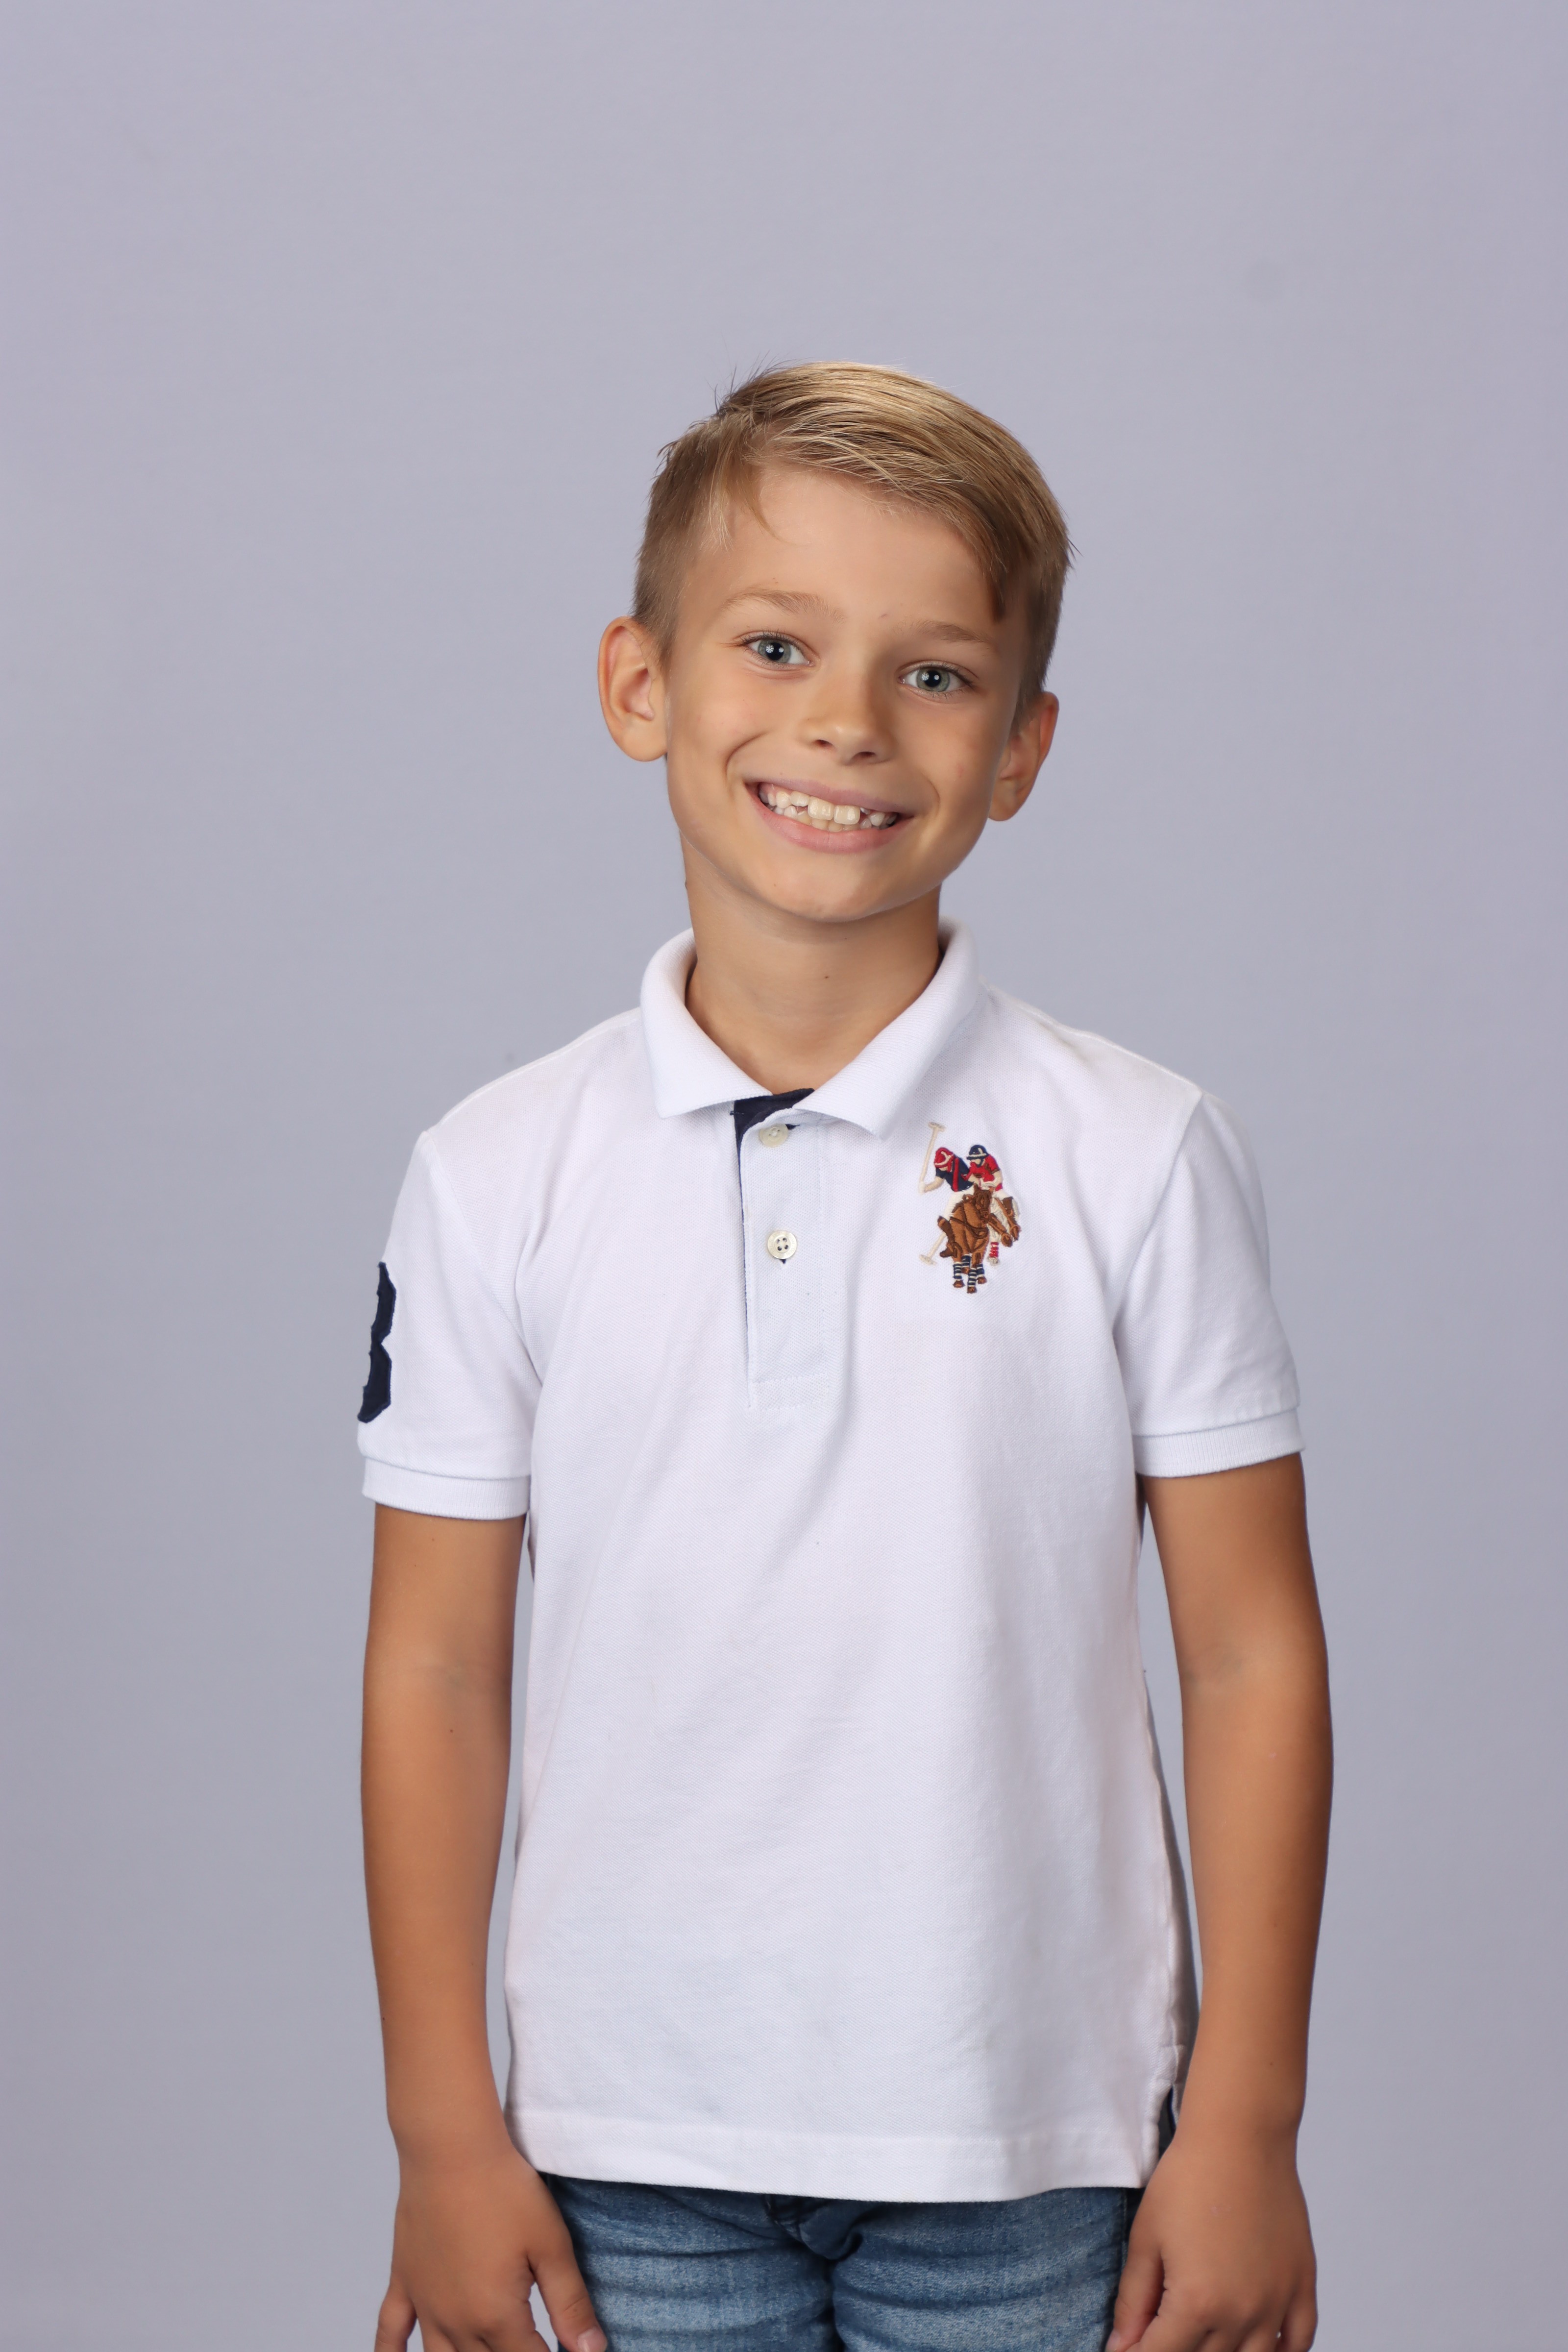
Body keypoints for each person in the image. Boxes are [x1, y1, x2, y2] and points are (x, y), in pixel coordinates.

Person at [358, 364, 1331, 2352]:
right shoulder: (492, 1171)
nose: (846, 722)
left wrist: (1246, 2122)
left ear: (1021, 747)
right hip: (623, 2140)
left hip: (1035, 2137)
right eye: (777, 644)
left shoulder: (1138, 1153)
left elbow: (1250, 1654)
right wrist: (441, 2132)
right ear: (639, 683)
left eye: (936, 673)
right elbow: (435, 1669)